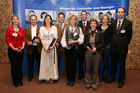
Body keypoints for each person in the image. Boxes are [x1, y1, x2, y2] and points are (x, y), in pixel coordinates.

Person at [110, 7, 132, 88]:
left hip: (123, 48)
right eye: (118, 12)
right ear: (116, 13)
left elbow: (129, 36)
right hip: (113, 47)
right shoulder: (113, 22)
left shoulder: (128, 23)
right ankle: (112, 77)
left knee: (122, 64)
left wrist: (124, 44)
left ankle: (121, 80)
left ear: (124, 13)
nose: (120, 13)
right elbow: (111, 34)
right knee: (113, 63)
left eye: (121, 12)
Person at [61, 15, 84, 87]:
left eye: (74, 20)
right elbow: (63, 39)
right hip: (67, 49)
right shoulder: (66, 28)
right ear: (69, 20)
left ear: (76, 21)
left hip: (75, 49)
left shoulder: (79, 29)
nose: (72, 21)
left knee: (73, 65)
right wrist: (65, 45)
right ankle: (68, 79)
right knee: (68, 65)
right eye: (71, 19)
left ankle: (72, 80)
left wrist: (74, 41)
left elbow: (81, 40)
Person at [5, 15, 25, 87]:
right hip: (12, 51)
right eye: (14, 19)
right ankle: (15, 81)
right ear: (12, 21)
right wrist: (13, 48)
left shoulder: (21, 29)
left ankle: (20, 80)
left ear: (19, 21)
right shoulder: (9, 29)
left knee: (19, 66)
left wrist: (22, 47)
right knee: (14, 66)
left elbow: (23, 40)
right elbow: (7, 40)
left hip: (20, 50)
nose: (15, 20)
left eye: (17, 19)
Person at [84, 18, 104, 90]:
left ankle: (95, 83)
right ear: (90, 24)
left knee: (96, 69)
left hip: (97, 52)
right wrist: (86, 47)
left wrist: (96, 48)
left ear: (96, 24)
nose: (93, 24)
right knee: (87, 68)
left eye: (94, 23)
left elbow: (102, 43)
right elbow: (84, 42)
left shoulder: (100, 33)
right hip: (88, 52)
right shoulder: (87, 32)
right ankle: (88, 82)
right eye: (91, 23)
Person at [39, 15, 58, 84]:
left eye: (49, 19)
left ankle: (52, 77)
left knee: (52, 63)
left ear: (51, 20)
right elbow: (41, 39)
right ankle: (46, 77)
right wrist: (45, 48)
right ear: (44, 20)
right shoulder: (41, 28)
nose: (47, 20)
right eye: (46, 19)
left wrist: (51, 47)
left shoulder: (54, 28)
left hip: (52, 48)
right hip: (44, 48)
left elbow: (55, 38)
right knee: (45, 63)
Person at [24, 15, 42, 81]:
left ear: (36, 20)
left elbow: (43, 37)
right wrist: (28, 42)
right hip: (30, 48)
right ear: (30, 21)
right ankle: (30, 76)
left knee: (39, 63)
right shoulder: (26, 29)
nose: (33, 21)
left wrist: (39, 40)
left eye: (34, 19)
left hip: (38, 48)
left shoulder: (41, 28)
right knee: (30, 63)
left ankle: (40, 76)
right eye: (32, 20)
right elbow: (24, 38)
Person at [97, 14, 112, 84]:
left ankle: (104, 79)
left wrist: (102, 47)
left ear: (108, 20)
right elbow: (96, 38)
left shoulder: (110, 28)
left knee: (106, 64)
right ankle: (97, 78)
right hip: (98, 49)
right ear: (101, 20)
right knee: (98, 64)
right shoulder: (98, 27)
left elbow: (108, 39)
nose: (105, 20)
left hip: (106, 48)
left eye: (106, 19)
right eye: (103, 19)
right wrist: (99, 47)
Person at [78, 11, 90, 80]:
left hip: (88, 45)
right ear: (81, 16)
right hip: (80, 45)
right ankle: (80, 74)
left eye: (84, 15)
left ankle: (87, 74)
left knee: (87, 61)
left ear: (87, 16)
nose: (83, 16)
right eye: (82, 15)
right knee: (80, 61)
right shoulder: (78, 24)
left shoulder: (90, 24)